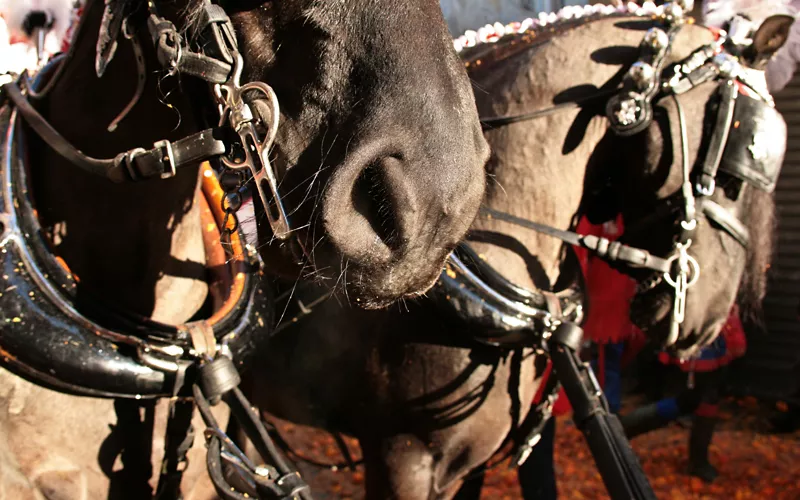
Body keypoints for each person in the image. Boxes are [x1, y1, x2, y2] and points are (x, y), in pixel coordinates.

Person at [619, 305, 747, 482]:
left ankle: (624, 430)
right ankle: (624, 430)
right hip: (703, 327)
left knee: (698, 399)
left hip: (715, 327)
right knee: (699, 398)